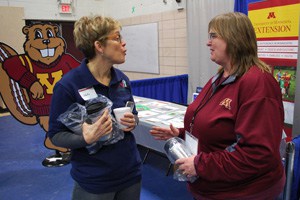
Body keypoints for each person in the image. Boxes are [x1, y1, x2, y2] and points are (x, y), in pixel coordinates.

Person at [150, 12, 285, 200]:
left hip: (244, 192)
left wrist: (200, 165)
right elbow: (218, 128)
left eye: (214, 36)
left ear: (234, 39)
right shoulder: (220, 77)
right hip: (212, 186)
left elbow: (257, 152)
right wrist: (180, 133)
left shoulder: (257, 83)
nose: (208, 42)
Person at [48, 15, 142, 200]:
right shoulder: (68, 85)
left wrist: (133, 121)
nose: (123, 44)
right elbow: (56, 135)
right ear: (99, 46)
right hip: (94, 181)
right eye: (117, 38)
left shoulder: (122, 79)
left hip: (130, 174)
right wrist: (85, 137)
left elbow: (135, 114)